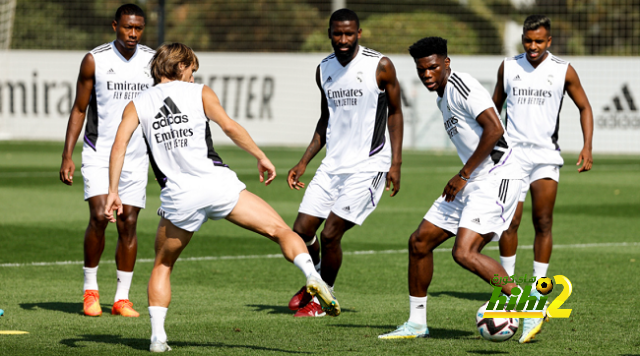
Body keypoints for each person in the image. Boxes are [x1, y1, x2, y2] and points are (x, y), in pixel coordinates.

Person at [104, 43, 340, 352]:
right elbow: (229, 126)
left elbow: (119, 146)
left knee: (163, 265)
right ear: (179, 67)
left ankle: (158, 338)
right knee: (280, 230)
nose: (193, 76)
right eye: (191, 70)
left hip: (180, 197)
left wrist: (112, 191)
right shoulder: (200, 93)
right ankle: (312, 275)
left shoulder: (137, 105)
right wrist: (260, 156)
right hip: (218, 185)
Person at [379, 37, 525, 339]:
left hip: (496, 177)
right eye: (421, 70)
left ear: (446, 63)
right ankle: (417, 324)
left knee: (464, 252)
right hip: (472, 180)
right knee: (419, 242)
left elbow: (495, 129)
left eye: (432, 67)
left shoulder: (462, 86)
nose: (427, 74)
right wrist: (465, 177)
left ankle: (526, 300)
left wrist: (463, 173)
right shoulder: (441, 94)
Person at [286, 8, 403, 317]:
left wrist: (396, 163)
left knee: (330, 235)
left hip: (369, 167)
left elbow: (396, 112)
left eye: (349, 33)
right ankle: (316, 279)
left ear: (359, 34)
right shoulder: (323, 69)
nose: (343, 39)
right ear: (329, 34)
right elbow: (326, 119)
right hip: (332, 166)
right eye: (337, 33)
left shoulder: (380, 66)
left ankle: (323, 298)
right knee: (300, 232)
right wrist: (303, 162)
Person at [493, 15, 593, 343]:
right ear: (523, 39)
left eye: (539, 41)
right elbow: (492, 110)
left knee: (543, 222)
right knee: (508, 223)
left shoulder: (564, 70)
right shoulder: (508, 67)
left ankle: (537, 294)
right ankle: (507, 292)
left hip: (546, 158)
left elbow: (585, 107)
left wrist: (587, 146)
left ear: (549, 41)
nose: (533, 47)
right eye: (528, 41)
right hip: (512, 158)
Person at [59, 4, 154, 318]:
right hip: (99, 152)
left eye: (138, 29)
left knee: (128, 223)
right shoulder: (94, 60)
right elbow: (78, 109)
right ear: (115, 25)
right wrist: (67, 155)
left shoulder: (153, 62)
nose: (133, 34)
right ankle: (90, 292)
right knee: (100, 216)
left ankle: (122, 299)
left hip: (136, 156)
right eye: (127, 27)